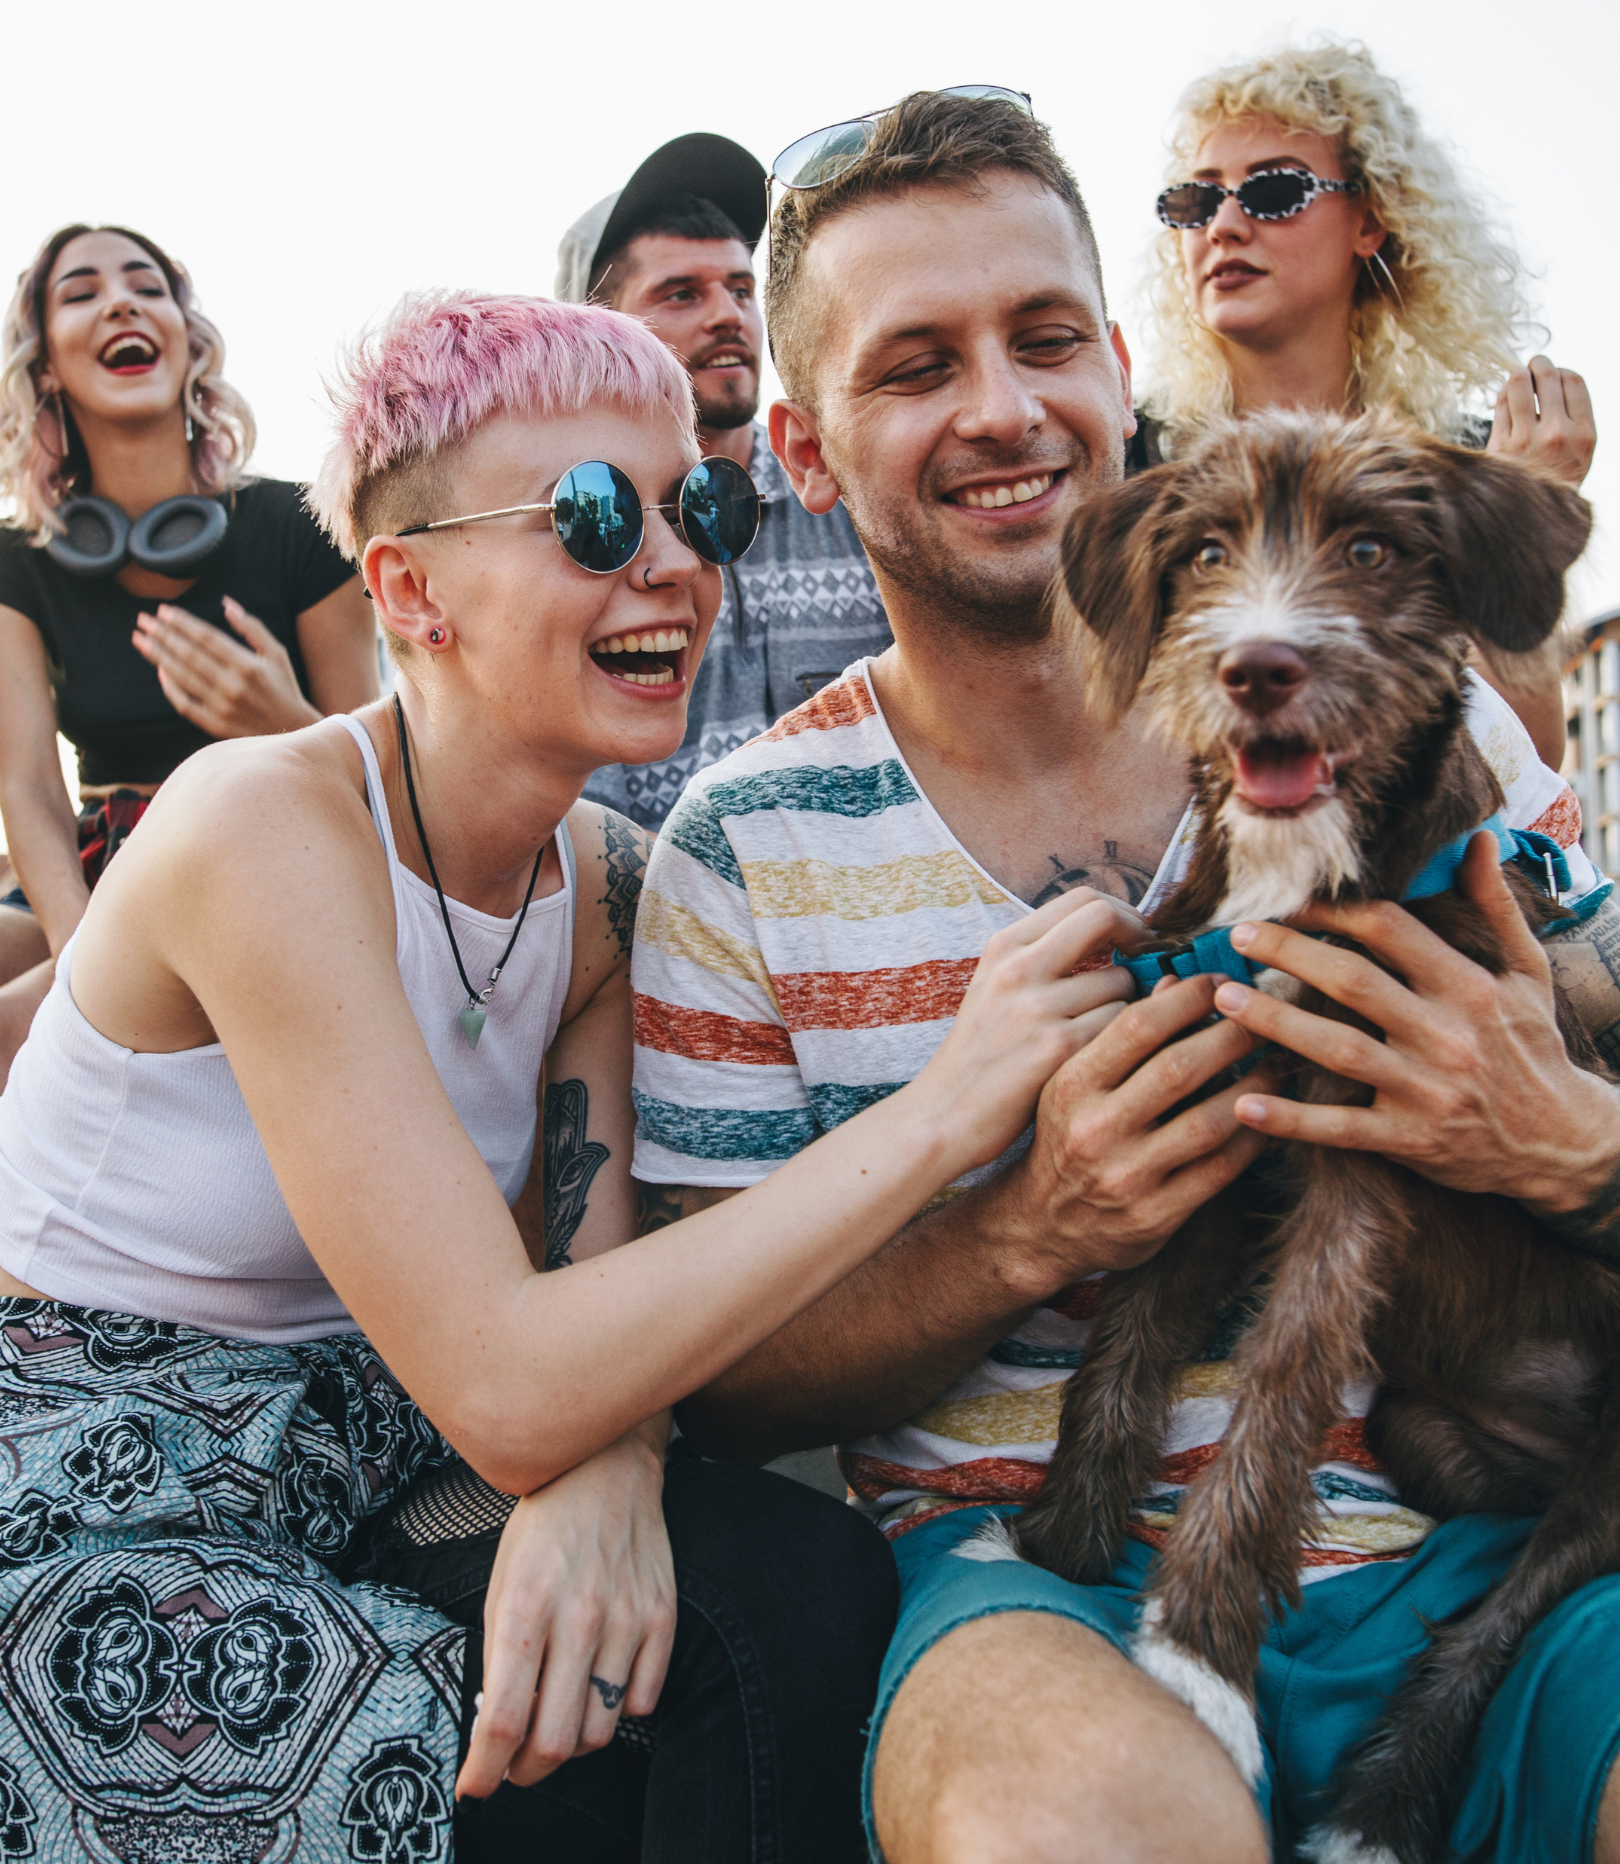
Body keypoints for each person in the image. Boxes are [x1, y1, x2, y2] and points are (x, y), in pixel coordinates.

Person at [628, 88, 1620, 1863]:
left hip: (1498, 1549)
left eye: (1046, 337)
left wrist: (1571, 1146)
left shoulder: (1421, 705)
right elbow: (723, 1383)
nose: (1004, 409)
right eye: (915, 364)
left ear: (1118, 369)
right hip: (1032, 1577)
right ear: (801, 448)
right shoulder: (745, 846)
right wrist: (1022, 1232)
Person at [0, 287, 1113, 1861]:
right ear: (410, 589)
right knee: (529, 1751)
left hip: (381, 1432)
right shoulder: (260, 828)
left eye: (697, 503)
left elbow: (578, 1295)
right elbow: (518, 1380)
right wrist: (949, 1113)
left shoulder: (597, 882)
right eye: (592, 515)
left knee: (782, 1592)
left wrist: (613, 1459)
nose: (672, 561)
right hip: (106, 1464)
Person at [1139, 41, 1596, 766]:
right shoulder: (1128, 456)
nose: (1223, 225)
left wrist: (1525, 512)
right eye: (1195, 200)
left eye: (1272, 192)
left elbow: (1526, 763)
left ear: (1370, 221)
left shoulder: (1470, 461)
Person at [0, 223, 378, 1077]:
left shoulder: (298, 524)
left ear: (184, 337)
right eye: (81, 292)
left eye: (144, 284)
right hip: (96, 864)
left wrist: (278, 720)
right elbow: (25, 783)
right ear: (48, 364)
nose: (121, 300)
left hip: (258, 850)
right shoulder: (16, 563)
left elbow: (383, 782)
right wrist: (80, 949)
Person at [557, 132, 893, 828]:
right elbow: (575, 829)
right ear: (596, 335)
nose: (727, 314)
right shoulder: (566, 541)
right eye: (681, 293)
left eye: (742, 289)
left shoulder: (860, 492)